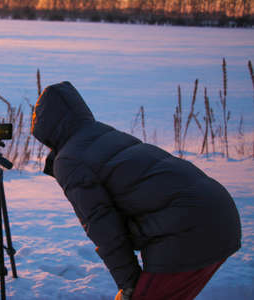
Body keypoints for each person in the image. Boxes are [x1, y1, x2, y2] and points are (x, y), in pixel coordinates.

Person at [30, 81, 241, 300]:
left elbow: (104, 228)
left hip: (186, 229)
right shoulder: (106, 134)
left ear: (45, 128)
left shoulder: (70, 160)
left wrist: (129, 285)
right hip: (219, 214)